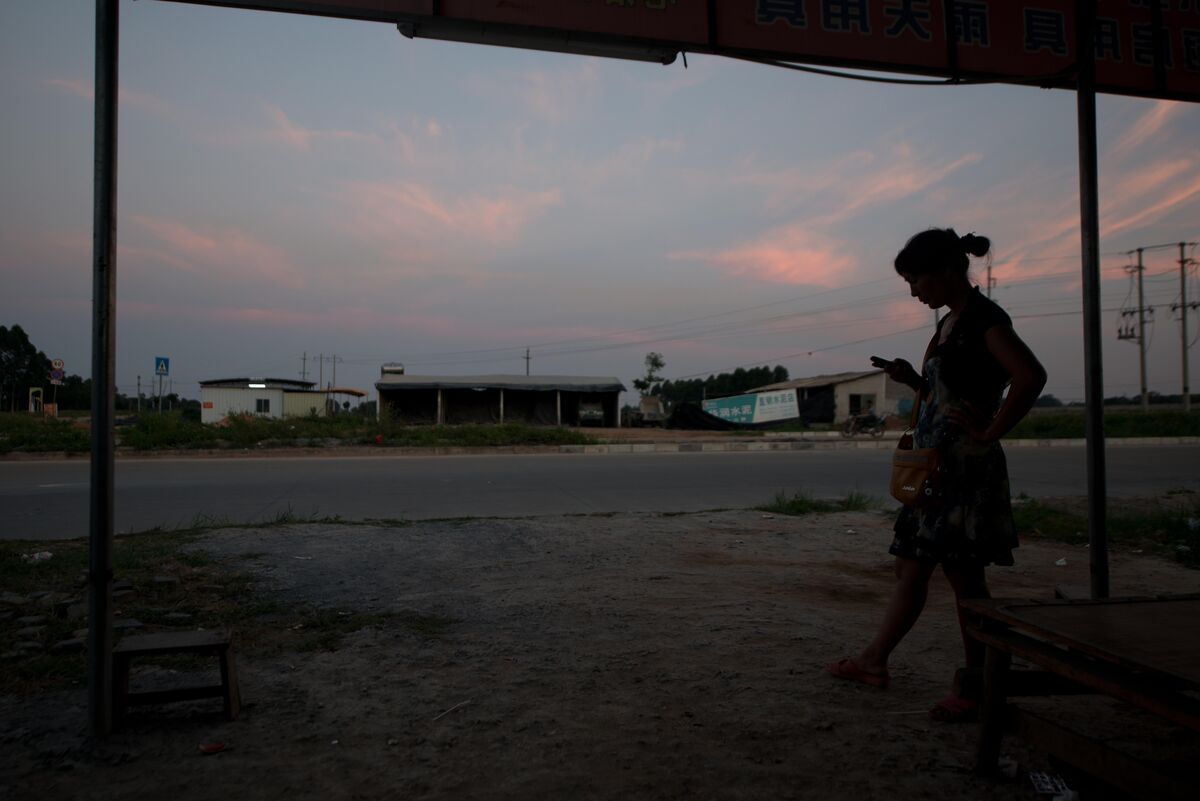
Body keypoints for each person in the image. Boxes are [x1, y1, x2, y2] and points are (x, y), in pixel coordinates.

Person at [827, 228, 1047, 722]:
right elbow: (946, 394)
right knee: (913, 565)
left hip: (962, 470)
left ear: (947, 271)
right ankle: (876, 660)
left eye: (916, 279)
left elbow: (1030, 376)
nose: (913, 291)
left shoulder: (985, 320)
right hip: (935, 467)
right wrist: (914, 380)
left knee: (963, 577)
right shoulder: (950, 324)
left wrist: (989, 431)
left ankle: (976, 686)